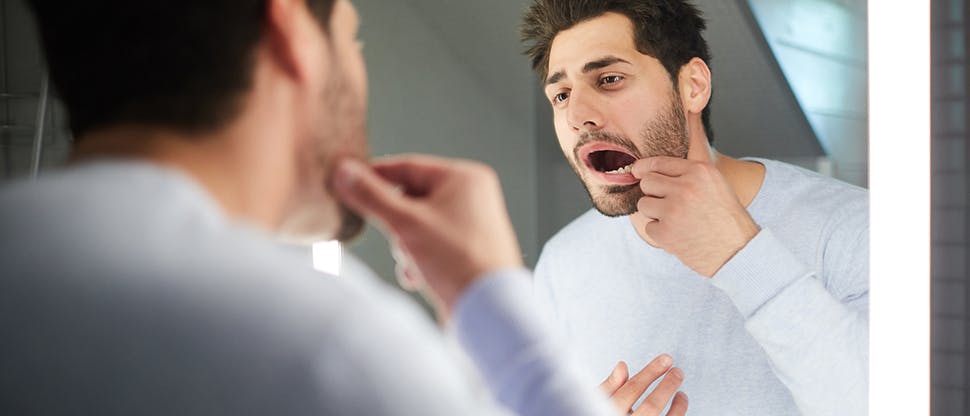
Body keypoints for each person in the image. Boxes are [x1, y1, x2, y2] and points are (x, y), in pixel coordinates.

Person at [0, 0, 690, 415]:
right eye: (351, 37)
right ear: (293, 34)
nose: (577, 114)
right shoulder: (320, 348)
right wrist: (505, 322)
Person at [520, 1, 868, 415]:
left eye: (610, 79)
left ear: (693, 86)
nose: (578, 115)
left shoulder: (853, 227)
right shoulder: (563, 262)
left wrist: (740, 256)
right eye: (561, 95)